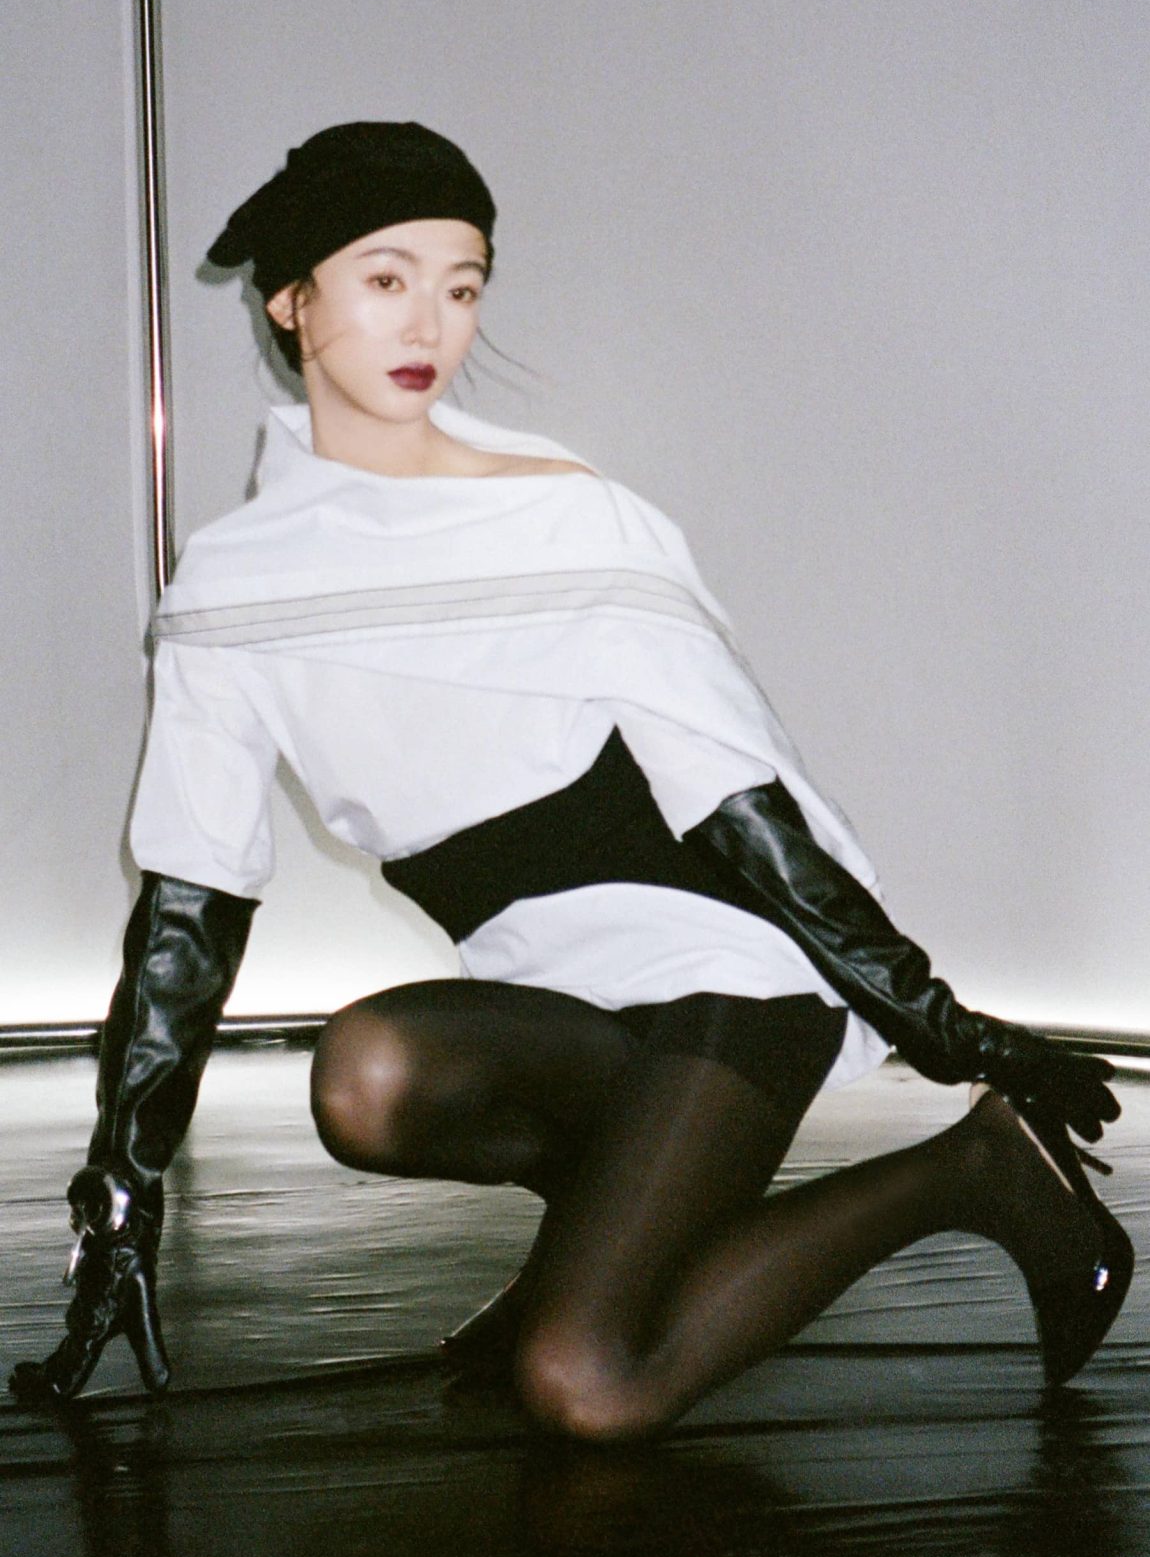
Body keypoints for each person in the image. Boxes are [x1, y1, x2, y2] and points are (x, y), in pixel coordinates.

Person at [10, 121, 1132, 1438]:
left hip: (731, 973)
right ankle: (603, 1232)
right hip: (564, 998)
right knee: (363, 1077)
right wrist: (123, 1198)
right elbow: (191, 907)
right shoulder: (231, 588)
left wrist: (945, 1027)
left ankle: (976, 1170)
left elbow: (743, 811)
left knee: (584, 1383)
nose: (430, 321)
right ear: (290, 300)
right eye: (386, 277)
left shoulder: (564, 518)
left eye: (462, 284)